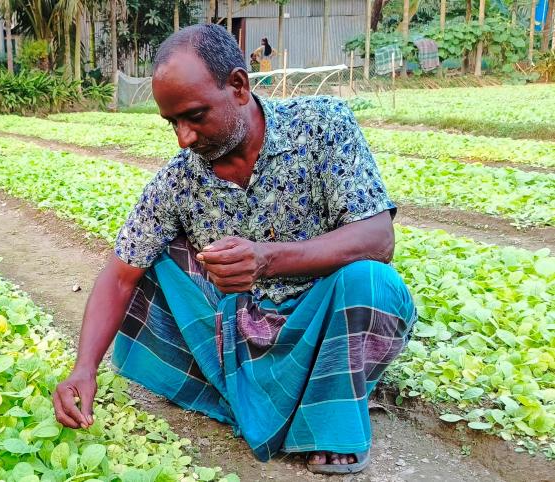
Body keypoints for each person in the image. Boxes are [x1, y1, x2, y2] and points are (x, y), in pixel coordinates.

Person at [52, 24, 417, 475]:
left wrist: (266, 258)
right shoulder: (179, 179)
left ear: (239, 87)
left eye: (195, 116)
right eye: (173, 123)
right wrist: (83, 368)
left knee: (373, 283)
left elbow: (378, 238)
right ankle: (275, 398)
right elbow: (120, 273)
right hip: (241, 334)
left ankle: (319, 415)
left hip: (326, 322)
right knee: (155, 263)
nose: (183, 137)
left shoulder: (323, 126)